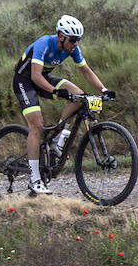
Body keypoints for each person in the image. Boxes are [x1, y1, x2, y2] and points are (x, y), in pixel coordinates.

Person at [12, 14, 115, 195]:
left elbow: (85, 71)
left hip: (43, 78)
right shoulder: (44, 44)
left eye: (78, 40)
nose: (76, 44)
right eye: (73, 40)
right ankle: (35, 179)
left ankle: (59, 137)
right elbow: (35, 76)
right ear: (61, 36)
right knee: (36, 126)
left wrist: (103, 89)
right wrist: (54, 91)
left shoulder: (72, 49)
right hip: (25, 81)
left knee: (79, 96)